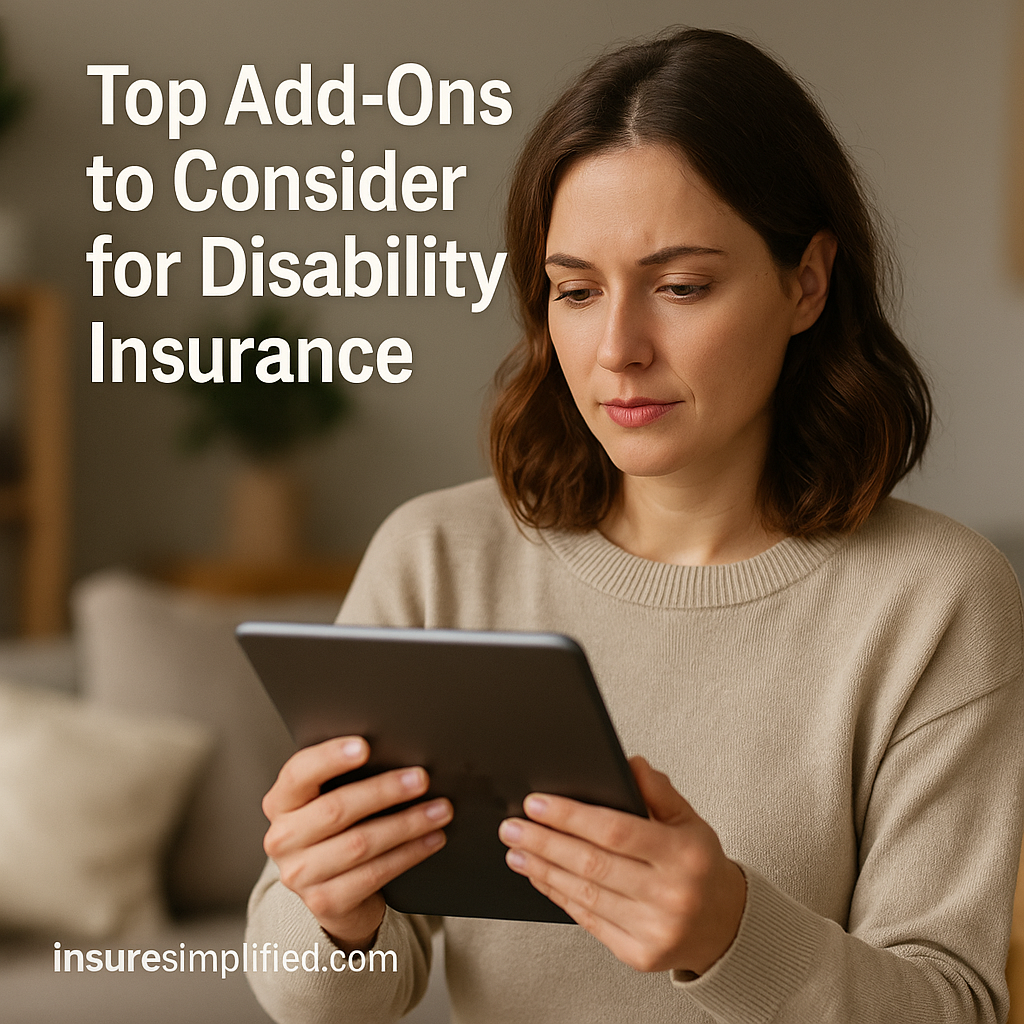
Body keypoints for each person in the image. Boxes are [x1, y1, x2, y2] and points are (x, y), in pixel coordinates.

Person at [245, 27, 1024, 1024]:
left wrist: (731, 935)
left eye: (680, 286)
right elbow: (325, 998)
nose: (616, 349)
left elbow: (955, 1007)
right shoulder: (438, 558)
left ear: (806, 283)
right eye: (575, 291)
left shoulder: (935, 598)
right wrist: (333, 914)